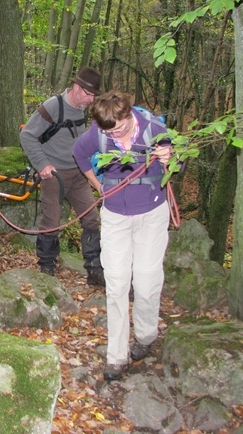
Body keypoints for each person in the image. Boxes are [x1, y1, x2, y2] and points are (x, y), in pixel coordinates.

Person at [72, 90, 174, 382]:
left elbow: (176, 165)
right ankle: (116, 356)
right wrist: (99, 186)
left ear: (129, 115)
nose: (116, 135)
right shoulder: (99, 132)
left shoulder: (155, 129)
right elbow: (79, 154)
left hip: (152, 213)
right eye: (110, 132)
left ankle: (145, 334)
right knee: (116, 284)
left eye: (121, 128)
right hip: (115, 215)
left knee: (145, 279)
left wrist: (169, 159)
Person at [19, 67, 104, 286]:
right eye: (88, 94)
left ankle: (95, 269)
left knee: (91, 218)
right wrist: (42, 164)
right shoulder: (53, 107)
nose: (91, 99)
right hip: (54, 174)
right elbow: (27, 136)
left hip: (79, 172)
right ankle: (46, 267)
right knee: (52, 221)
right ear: (77, 88)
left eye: (94, 95)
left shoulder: (85, 108)